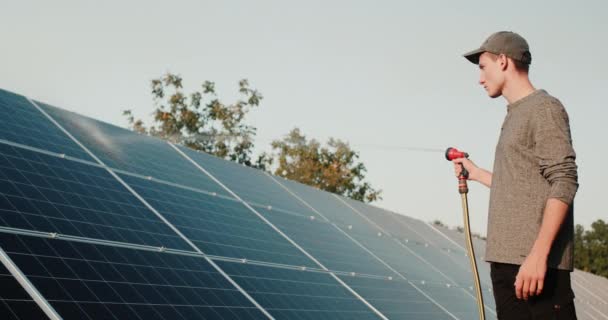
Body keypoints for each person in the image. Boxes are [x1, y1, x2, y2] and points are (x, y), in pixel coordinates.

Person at [454, 31, 579, 319]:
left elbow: (564, 180)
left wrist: (538, 255)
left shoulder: (544, 108)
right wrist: (477, 174)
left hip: (535, 267)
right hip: (509, 264)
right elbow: (522, 185)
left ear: (503, 61)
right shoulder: (516, 113)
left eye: (483, 67)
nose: (480, 78)